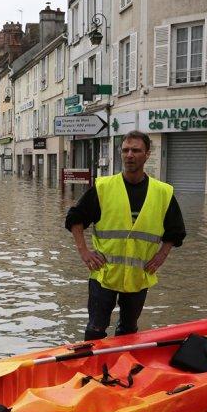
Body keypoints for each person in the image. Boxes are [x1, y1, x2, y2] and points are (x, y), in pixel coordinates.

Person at [64, 130, 186, 341]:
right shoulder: (104, 187)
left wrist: (162, 255)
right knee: (95, 330)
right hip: (104, 274)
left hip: (138, 277)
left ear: (147, 154)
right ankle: (91, 369)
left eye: (136, 150)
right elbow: (75, 218)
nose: (130, 155)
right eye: (125, 150)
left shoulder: (162, 192)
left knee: (128, 332)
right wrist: (84, 252)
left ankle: (123, 368)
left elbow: (175, 231)